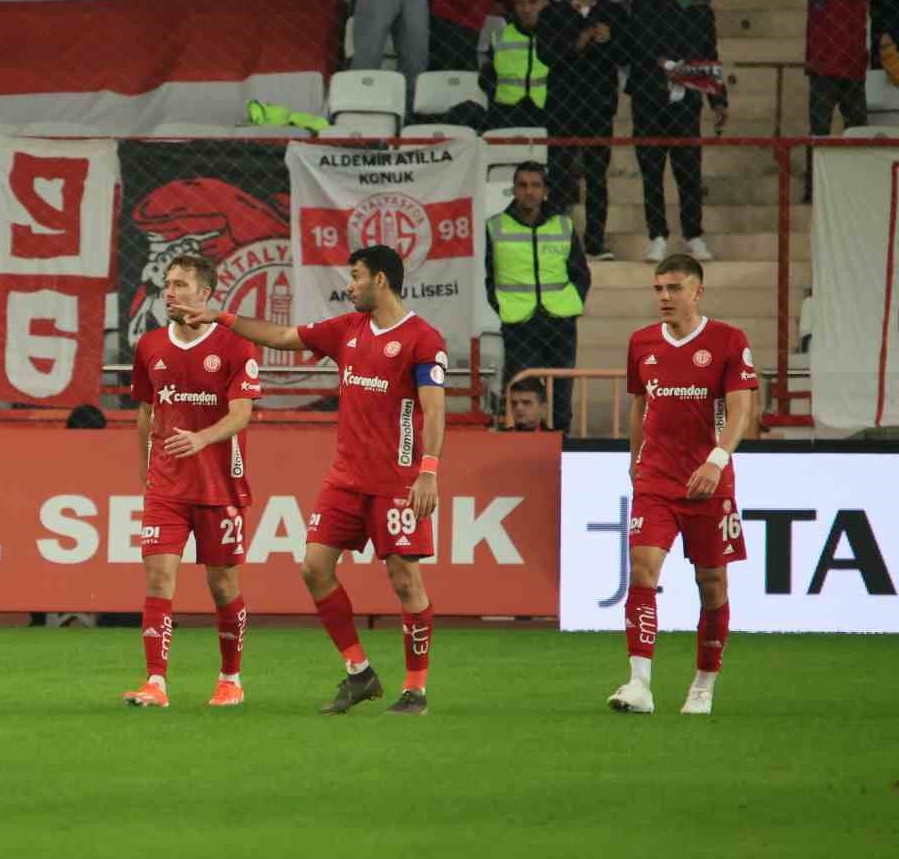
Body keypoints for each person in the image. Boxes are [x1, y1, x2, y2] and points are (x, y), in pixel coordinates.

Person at [186, 245, 446, 716]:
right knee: (314, 568)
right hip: (345, 479)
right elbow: (283, 335)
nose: (350, 286)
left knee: (405, 581)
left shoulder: (423, 339)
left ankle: (416, 689)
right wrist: (221, 318)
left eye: (356, 276)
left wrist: (428, 471)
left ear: (380, 280)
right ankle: (359, 672)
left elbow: (433, 409)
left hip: (397, 483)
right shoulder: (347, 329)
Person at [610, 253, 757, 716]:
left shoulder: (728, 341)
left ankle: (703, 684)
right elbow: (640, 404)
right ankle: (639, 684)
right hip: (656, 479)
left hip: (708, 483)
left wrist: (716, 461)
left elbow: (741, 410)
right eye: (658, 289)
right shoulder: (641, 342)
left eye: (674, 288)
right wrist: (634, 460)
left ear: (698, 291)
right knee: (642, 569)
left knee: (712, 583)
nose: (665, 297)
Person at [121, 254, 262, 709]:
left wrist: (202, 438)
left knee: (223, 586)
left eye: (181, 284)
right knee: (158, 577)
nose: (171, 291)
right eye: (168, 283)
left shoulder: (235, 345)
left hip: (220, 486)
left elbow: (242, 414)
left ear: (205, 293)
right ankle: (155, 683)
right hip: (166, 485)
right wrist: (145, 468)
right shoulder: (150, 345)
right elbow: (146, 412)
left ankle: (230, 678)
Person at [485, 161, 592, 433]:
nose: (529, 191)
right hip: (519, 322)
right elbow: (489, 277)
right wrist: (503, 306)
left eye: (535, 185)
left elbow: (581, 273)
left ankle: (561, 441)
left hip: (561, 321)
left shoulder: (563, 225)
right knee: (523, 390)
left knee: (561, 391)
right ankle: (523, 446)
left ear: (545, 190)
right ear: (514, 189)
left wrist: (573, 304)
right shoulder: (495, 226)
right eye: (522, 185)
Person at [626, 0, 728, 263]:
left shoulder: (700, 4)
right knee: (651, 168)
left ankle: (693, 234)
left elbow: (708, 52)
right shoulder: (645, 0)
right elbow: (640, 43)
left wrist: (718, 99)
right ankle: (657, 237)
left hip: (687, 99)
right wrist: (668, 67)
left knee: (689, 169)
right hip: (649, 96)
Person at [540, 0, 628, 260]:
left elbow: (627, 54)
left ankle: (595, 242)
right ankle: (556, 240)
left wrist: (610, 40)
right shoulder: (553, 12)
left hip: (599, 105)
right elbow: (545, 54)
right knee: (559, 173)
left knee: (596, 176)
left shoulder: (613, 11)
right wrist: (579, 41)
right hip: (562, 105)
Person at [803, 0, 872, 201]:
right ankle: (815, 188)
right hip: (825, 61)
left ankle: (855, 187)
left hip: (852, 60)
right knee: (820, 130)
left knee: (857, 131)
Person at [482, 0, 551, 132]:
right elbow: (486, 79)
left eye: (533, 2)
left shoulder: (557, 35)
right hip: (504, 115)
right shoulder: (499, 36)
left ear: (545, 3)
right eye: (520, 3)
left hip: (547, 114)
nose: (526, 9)